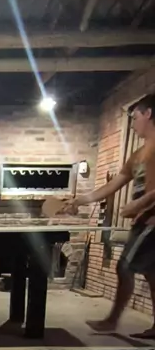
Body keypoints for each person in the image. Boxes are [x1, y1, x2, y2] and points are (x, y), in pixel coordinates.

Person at [67, 93, 155, 337]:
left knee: (124, 266)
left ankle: (111, 321)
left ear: (148, 114)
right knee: (151, 273)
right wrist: (79, 200)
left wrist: (139, 204)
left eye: (135, 117)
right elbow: (112, 186)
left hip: (151, 222)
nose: (133, 123)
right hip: (142, 221)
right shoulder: (138, 154)